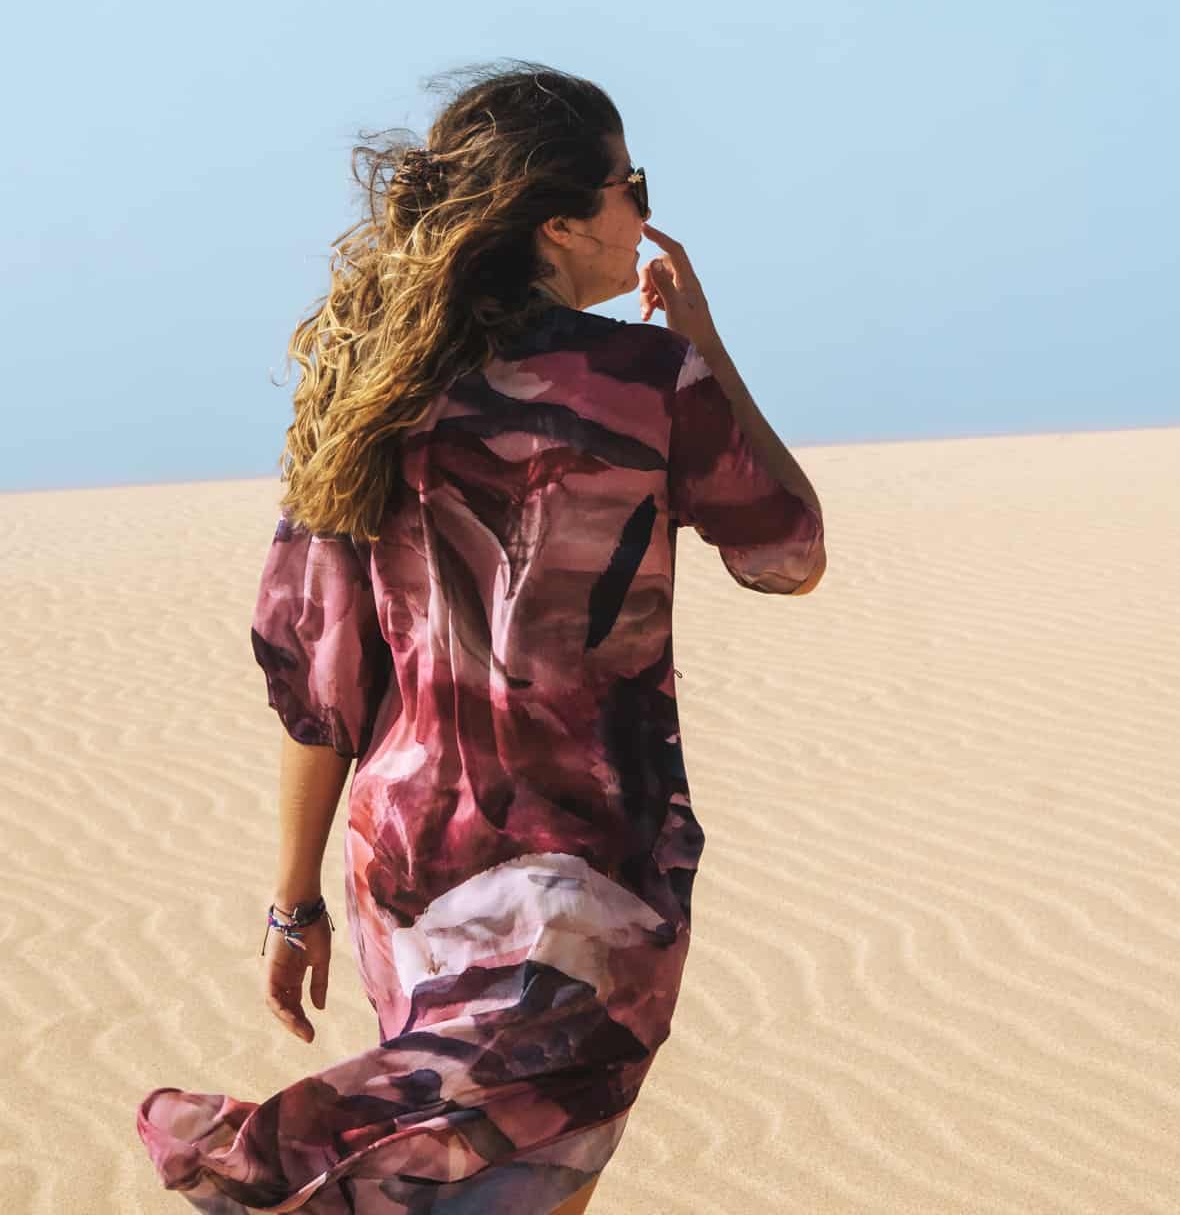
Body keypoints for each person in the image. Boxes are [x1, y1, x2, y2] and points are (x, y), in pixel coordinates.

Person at [135, 59, 826, 1214]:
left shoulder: (376, 396)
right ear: (558, 221)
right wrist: (707, 342)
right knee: (525, 1178)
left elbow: (321, 680)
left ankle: (291, 1170)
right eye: (628, 185)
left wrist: (293, 897)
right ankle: (271, 1169)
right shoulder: (650, 381)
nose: (644, 215)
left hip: (406, 863)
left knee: (465, 1167)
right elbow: (788, 552)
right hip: (585, 865)